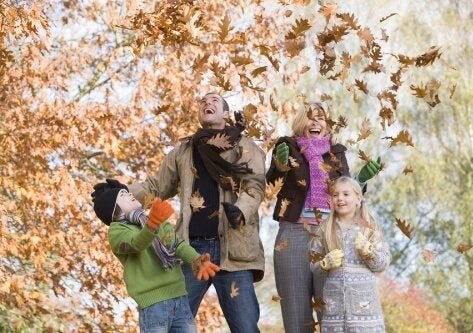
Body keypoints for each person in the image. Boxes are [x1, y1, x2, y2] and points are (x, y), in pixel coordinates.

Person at [128, 93, 266, 332]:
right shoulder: (184, 151)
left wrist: (241, 210)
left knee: (246, 327)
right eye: (202, 101)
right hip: (191, 252)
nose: (206, 103)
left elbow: (255, 185)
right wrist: (121, 193)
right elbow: (156, 187)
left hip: (233, 251)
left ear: (225, 113)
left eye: (214, 100)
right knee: (174, 325)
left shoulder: (244, 147)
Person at [266, 102, 381, 332]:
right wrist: (280, 164)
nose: (316, 121)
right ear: (301, 122)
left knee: (331, 312)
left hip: (330, 236)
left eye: (321, 117)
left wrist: (360, 180)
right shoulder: (287, 147)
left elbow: (346, 192)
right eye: (310, 117)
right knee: (296, 316)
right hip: (293, 236)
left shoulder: (336, 153)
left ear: (327, 125)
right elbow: (272, 181)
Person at [91, 179, 220, 333]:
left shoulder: (153, 219)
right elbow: (137, 243)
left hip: (180, 297)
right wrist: (152, 225)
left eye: (127, 192)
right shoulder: (117, 233)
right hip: (153, 304)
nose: (130, 195)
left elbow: (177, 245)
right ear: (114, 210)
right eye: (123, 195)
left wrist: (196, 260)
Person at [310, 176, 390, 332]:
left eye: (346, 194)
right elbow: (312, 263)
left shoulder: (369, 226)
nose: (340, 198)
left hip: (366, 315)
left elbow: (383, 263)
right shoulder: (324, 228)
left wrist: (369, 253)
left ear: (358, 198)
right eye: (335, 195)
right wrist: (324, 263)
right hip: (335, 316)